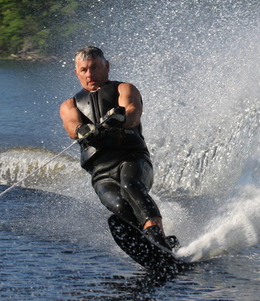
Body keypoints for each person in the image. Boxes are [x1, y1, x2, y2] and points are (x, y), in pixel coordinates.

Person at [59, 46, 176, 251]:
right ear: (76, 73)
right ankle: (147, 244)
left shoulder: (124, 89)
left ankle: (159, 239)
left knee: (130, 185)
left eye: (95, 67)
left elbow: (132, 111)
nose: (90, 74)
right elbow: (71, 125)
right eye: (84, 69)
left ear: (107, 66)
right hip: (101, 173)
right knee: (120, 206)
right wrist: (81, 129)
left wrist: (121, 117)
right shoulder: (70, 104)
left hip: (132, 159)